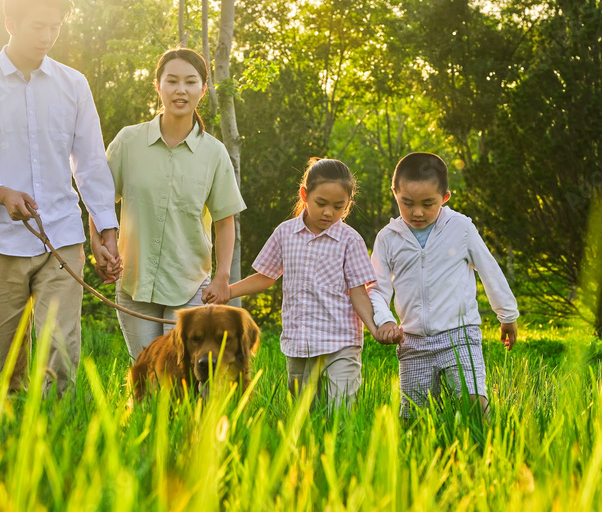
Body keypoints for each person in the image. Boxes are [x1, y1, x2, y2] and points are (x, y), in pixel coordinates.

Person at [0, 0, 120, 396]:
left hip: (61, 237)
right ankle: (13, 442)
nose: (48, 37)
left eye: (55, 27)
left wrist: (106, 232)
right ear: (10, 22)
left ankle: (61, 437)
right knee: (9, 365)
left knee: (59, 351)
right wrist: (0, 192)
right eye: (38, 26)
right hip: (0, 242)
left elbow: (91, 164)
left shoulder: (73, 84)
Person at [90, 48, 245, 361]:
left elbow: (225, 221)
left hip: (189, 286)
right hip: (134, 281)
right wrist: (97, 244)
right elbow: (100, 201)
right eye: (172, 81)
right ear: (157, 85)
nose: (180, 90)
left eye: (190, 82)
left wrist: (222, 277)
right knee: (147, 373)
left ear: (203, 89)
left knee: (181, 375)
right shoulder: (128, 141)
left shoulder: (214, 154)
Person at [208, 158, 392, 409]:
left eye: (339, 206)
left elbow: (359, 292)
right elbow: (266, 276)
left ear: (348, 204)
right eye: (321, 203)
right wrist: (227, 292)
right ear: (305, 194)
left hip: (341, 342)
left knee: (341, 410)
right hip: (300, 343)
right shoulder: (285, 233)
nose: (329, 212)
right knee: (304, 412)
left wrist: (374, 327)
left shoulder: (350, 240)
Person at [369, 152, 518, 420]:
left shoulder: (460, 228)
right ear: (395, 193)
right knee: (413, 417)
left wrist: (507, 314)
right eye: (407, 202)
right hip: (411, 340)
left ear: (445, 197)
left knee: (473, 400)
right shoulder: (388, 239)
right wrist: (385, 321)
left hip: (459, 334)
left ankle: (487, 450)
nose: (417, 212)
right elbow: (377, 288)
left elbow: (489, 270)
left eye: (428, 204)